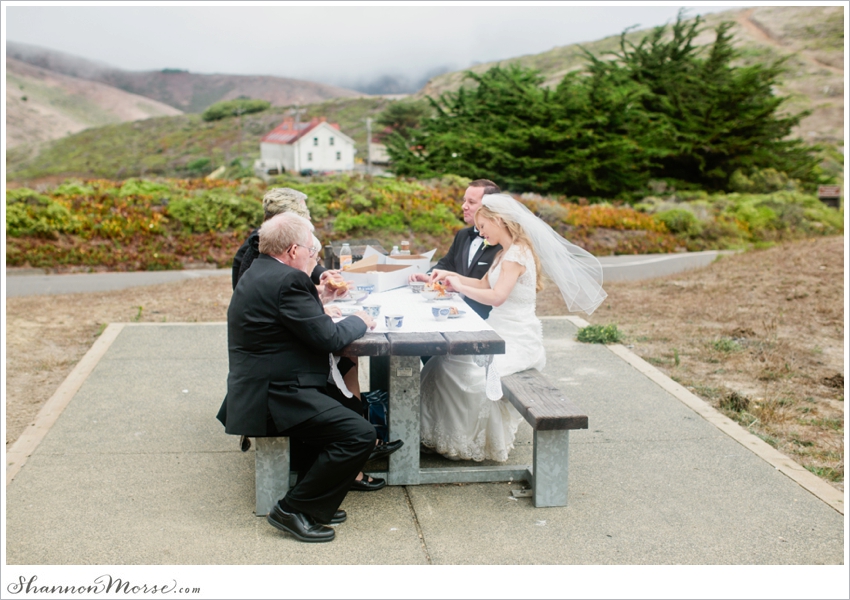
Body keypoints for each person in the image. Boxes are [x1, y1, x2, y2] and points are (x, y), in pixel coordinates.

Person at [217, 212, 380, 543]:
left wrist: (321, 301)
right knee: (359, 435)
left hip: (268, 383)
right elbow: (329, 340)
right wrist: (360, 318)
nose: (313, 257)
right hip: (274, 395)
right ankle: (294, 509)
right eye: (311, 250)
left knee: (350, 409)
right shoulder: (287, 280)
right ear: (293, 250)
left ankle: (315, 495)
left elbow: (290, 319)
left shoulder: (262, 271)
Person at [420, 193, 607, 462]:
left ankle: (472, 441)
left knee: (461, 371)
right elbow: (484, 285)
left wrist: (459, 286)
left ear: (498, 221)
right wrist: (451, 278)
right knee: (442, 361)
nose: (481, 232)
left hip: (516, 338)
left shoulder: (516, 254)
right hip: (498, 330)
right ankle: (438, 434)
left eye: (484, 226)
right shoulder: (505, 252)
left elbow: (497, 297)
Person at [408, 179, 502, 319]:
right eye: (464, 201)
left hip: (486, 316)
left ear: (489, 207)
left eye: (471, 202)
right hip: (457, 309)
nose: (464, 206)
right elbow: (447, 264)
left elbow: (491, 288)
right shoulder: (463, 235)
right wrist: (429, 277)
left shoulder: (502, 243)